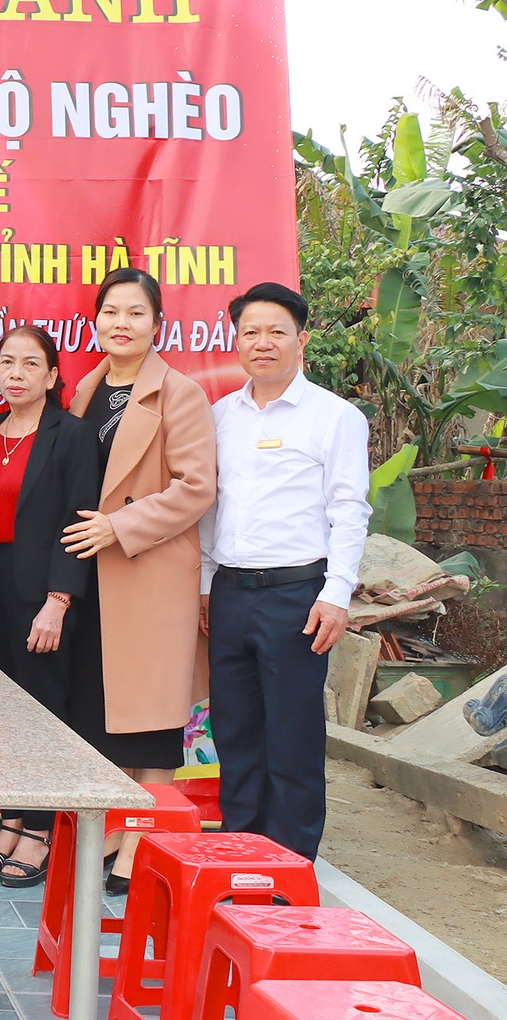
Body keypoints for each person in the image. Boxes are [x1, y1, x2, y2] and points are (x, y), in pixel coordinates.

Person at [201, 282, 368, 861]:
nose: (263, 343)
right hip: (230, 592)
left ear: (302, 340)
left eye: (277, 332)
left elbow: (350, 509)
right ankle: (241, 855)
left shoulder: (334, 416)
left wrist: (337, 593)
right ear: (236, 340)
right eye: (251, 332)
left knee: (292, 737)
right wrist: (206, 585)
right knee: (236, 733)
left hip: (298, 596)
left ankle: (291, 866)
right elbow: (210, 507)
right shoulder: (220, 416)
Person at [65, 267, 217, 892]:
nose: (120, 324)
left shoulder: (179, 393)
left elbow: (197, 487)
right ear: (95, 320)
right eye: (110, 312)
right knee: (107, 705)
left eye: (135, 313)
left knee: (151, 715)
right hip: (92, 573)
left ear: (157, 324)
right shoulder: (86, 388)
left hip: (148, 571)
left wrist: (120, 525)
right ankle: (122, 825)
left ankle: (145, 839)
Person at [0, 325, 101, 888]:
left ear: (51, 376)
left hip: (44, 592)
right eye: (7, 362)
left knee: (42, 711)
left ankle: (42, 830)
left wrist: (59, 600)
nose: (16, 374)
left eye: (30, 364)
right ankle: (10, 821)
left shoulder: (71, 435)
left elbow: (78, 520)